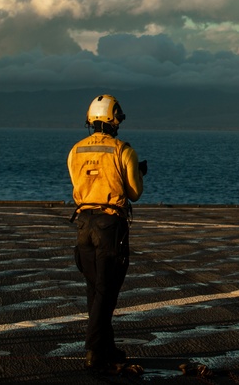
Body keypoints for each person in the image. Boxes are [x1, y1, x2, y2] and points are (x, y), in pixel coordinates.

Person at [68, 94, 145, 373]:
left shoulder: (75, 150)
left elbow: (80, 182)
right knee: (108, 290)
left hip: (83, 224)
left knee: (95, 289)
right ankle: (93, 349)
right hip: (110, 226)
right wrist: (135, 173)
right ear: (114, 119)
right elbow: (135, 193)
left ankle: (105, 347)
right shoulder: (123, 150)